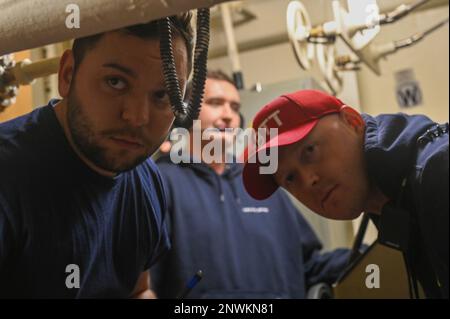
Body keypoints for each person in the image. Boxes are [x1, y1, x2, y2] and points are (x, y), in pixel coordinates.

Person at [0, 13, 193, 298]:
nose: (136, 117)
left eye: (163, 95)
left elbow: (138, 290)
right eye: (115, 82)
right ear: (67, 75)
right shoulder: (8, 174)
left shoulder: (148, 182)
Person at [150, 71, 351, 299]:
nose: (228, 116)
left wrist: (365, 255)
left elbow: (309, 266)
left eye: (235, 108)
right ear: (185, 113)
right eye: (215, 103)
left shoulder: (261, 186)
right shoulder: (161, 184)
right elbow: (145, 283)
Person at [242, 89, 449, 298]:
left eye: (310, 151)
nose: (308, 180)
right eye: (290, 178)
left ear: (352, 122)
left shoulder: (439, 171)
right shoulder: (393, 199)